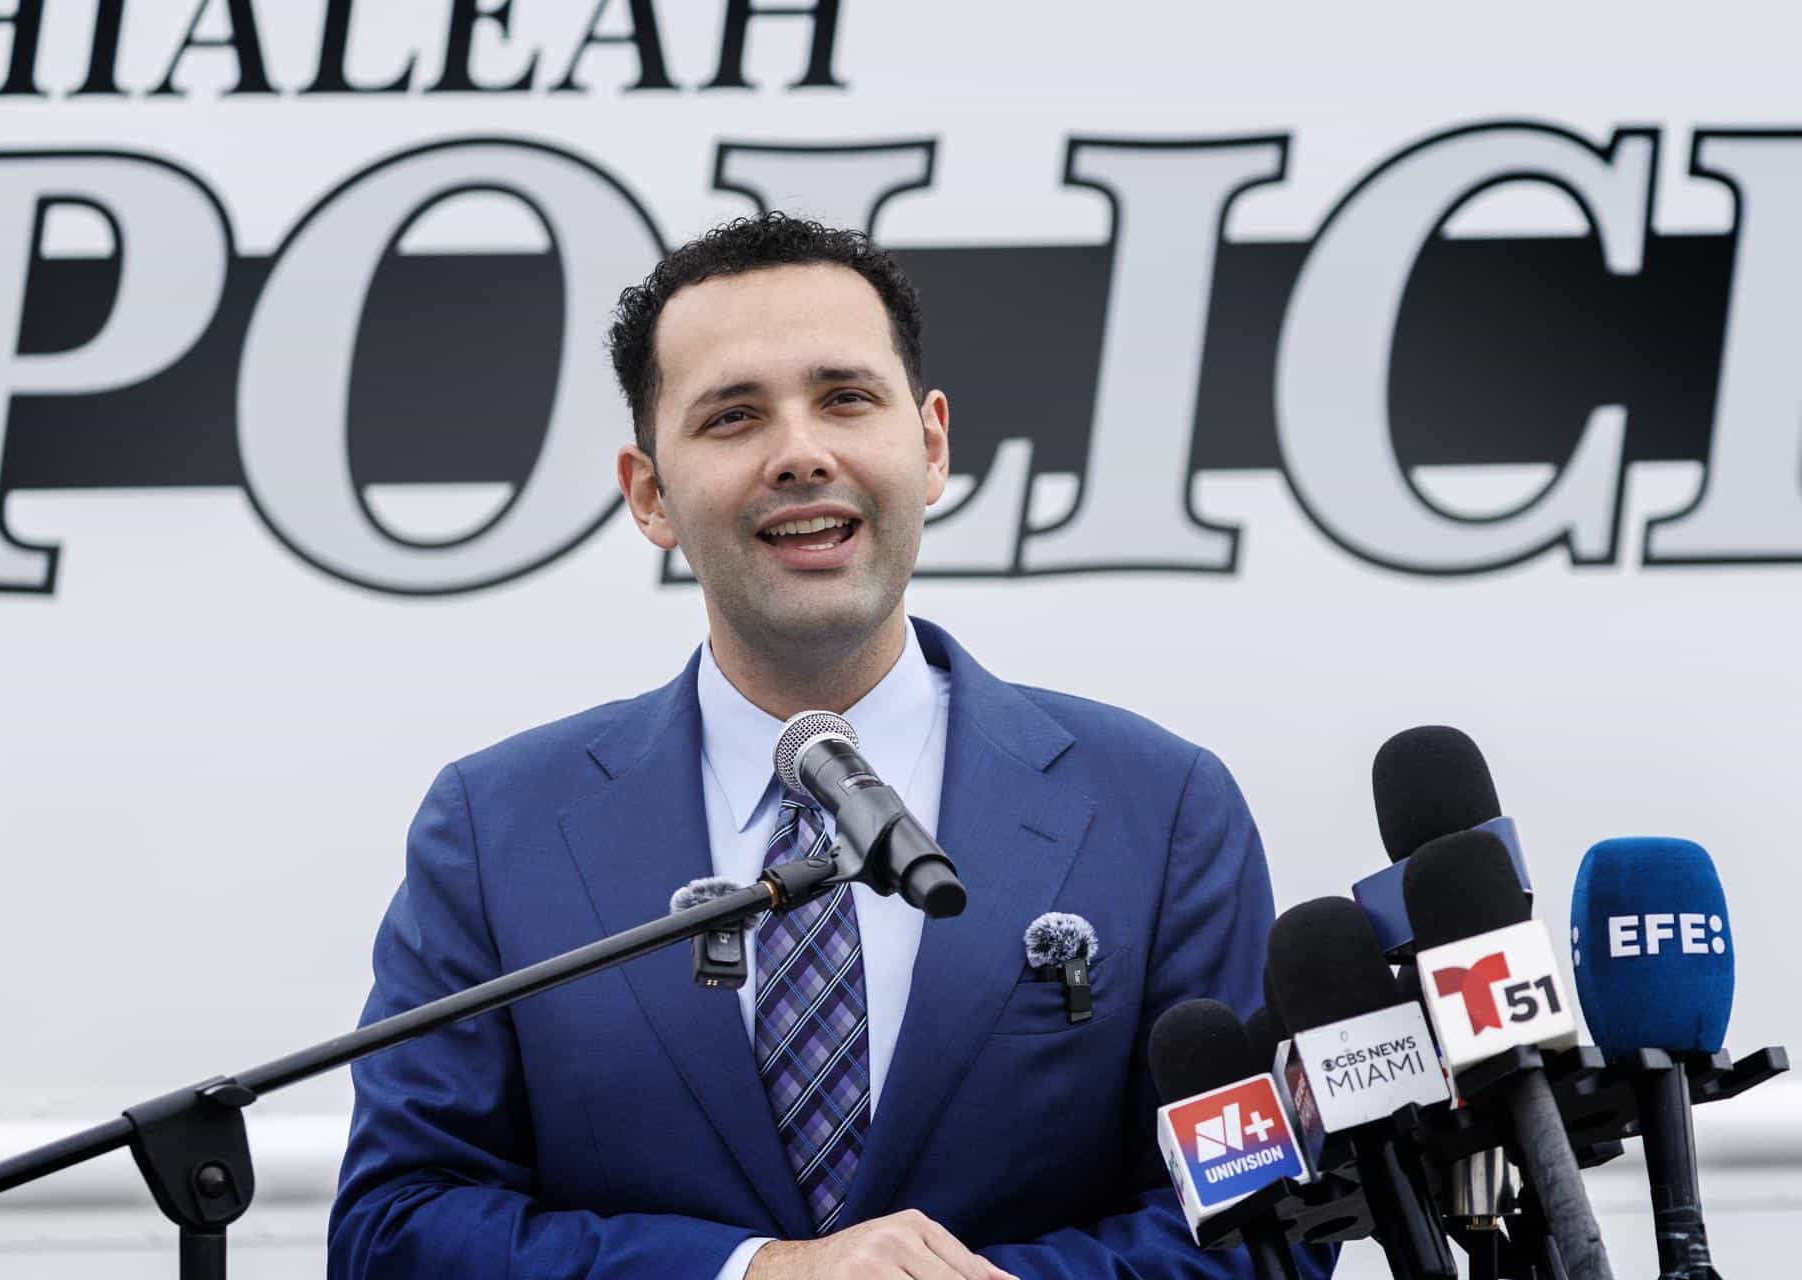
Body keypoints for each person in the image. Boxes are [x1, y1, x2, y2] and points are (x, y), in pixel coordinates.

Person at [329, 213, 1314, 1279]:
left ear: (930, 444)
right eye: (732, 416)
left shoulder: (1159, 808)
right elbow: (397, 1228)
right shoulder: (496, 828)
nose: (800, 453)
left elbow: (1270, 1226)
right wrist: (754, 1272)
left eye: (846, 397)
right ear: (650, 492)